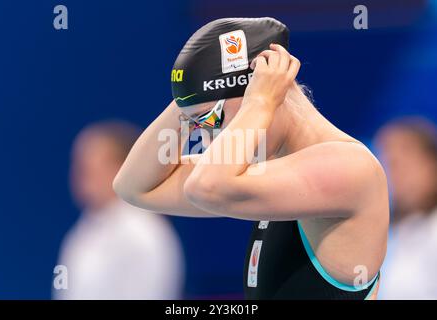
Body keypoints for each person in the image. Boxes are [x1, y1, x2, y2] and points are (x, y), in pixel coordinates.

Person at [114, 17, 389, 299]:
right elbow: (134, 187)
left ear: (264, 89)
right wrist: (190, 96)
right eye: (198, 125)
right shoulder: (263, 171)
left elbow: (206, 187)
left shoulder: (351, 168)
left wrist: (259, 102)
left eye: (212, 119)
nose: (208, 140)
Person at [55, 120, 184, 300]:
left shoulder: (143, 232)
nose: (79, 175)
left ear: (121, 168)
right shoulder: (82, 231)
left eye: (89, 168)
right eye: (78, 166)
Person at [375, 117, 437, 299]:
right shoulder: (386, 233)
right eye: (386, 164)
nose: (394, 175)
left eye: (401, 164)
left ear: (432, 166)